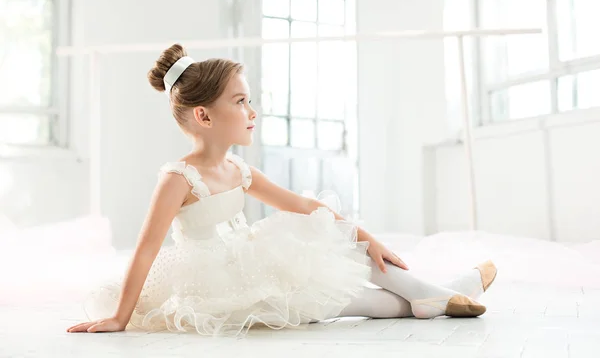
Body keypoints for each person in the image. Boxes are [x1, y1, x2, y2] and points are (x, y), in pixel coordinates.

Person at [67, 44, 497, 337]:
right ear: (204, 115)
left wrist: (369, 241)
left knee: (326, 233)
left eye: (249, 100)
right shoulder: (177, 179)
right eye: (239, 102)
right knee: (342, 300)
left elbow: (307, 207)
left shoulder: (237, 168)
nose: (251, 112)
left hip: (251, 260)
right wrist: (120, 317)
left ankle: (431, 295)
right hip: (217, 285)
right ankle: (437, 294)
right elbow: (145, 249)